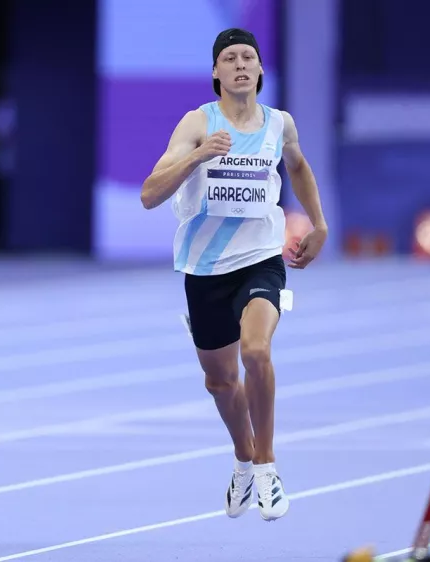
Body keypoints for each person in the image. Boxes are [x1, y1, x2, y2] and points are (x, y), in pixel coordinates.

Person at [140, 28, 327, 521]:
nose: (241, 63)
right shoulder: (197, 123)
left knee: (256, 350)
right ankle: (243, 459)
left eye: (249, 56)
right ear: (216, 73)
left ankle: (266, 465)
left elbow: (300, 166)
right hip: (204, 269)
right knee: (221, 381)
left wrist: (320, 224)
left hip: (262, 258)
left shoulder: (279, 124)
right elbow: (149, 194)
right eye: (230, 57)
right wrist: (199, 155)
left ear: (261, 70)